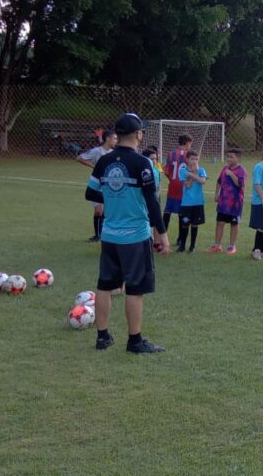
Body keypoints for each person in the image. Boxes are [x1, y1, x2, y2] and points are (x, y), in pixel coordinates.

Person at [86, 113, 171, 353]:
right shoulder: (142, 163)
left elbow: (91, 193)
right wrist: (162, 234)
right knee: (135, 288)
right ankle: (135, 341)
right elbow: (152, 203)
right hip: (135, 236)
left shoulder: (103, 161)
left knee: (105, 285)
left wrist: (113, 198)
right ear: (137, 135)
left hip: (110, 234)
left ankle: (102, 337)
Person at [76, 129, 118, 241]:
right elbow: (79, 158)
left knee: (105, 209)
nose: (116, 140)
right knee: (99, 210)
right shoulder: (97, 151)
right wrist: (92, 166)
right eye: (114, 138)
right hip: (96, 184)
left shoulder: (114, 153)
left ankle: (103, 234)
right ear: (108, 138)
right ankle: (97, 235)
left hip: (108, 185)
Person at [208, 148, 246, 254]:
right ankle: (217, 245)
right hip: (223, 202)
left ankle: (232, 246)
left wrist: (231, 174)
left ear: (238, 158)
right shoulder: (225, 168)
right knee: (220, 223)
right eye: (228, 156)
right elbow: (219, 182)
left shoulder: (241, 170)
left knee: (234, 224)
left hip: (235, 203)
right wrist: (216, 194)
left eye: (231, 157)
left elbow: (240, 184)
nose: (228, 159)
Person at [164, 135, 192, 250]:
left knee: (167, 212)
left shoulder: (171, 154)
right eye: (190, 144)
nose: (190, 146)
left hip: (172, 187)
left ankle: (162, 238)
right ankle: (180, 239)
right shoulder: (189, 156)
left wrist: (171, 179)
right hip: (183, 187)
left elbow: (165, 170)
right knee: (182, 213)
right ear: (186, 143)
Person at [178, 150, 207, 253]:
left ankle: (192, 246)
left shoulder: (202, 170)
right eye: (192, 159)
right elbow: (188, 185)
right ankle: (182, 246)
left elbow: (203, 181)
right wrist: (194, 174)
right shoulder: (183, 170)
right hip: (187, 203)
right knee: (185, 224)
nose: (194, 161)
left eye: (196, 159)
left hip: (198, 202)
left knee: (195, 224)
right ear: (187, 159)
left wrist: (192, 175)